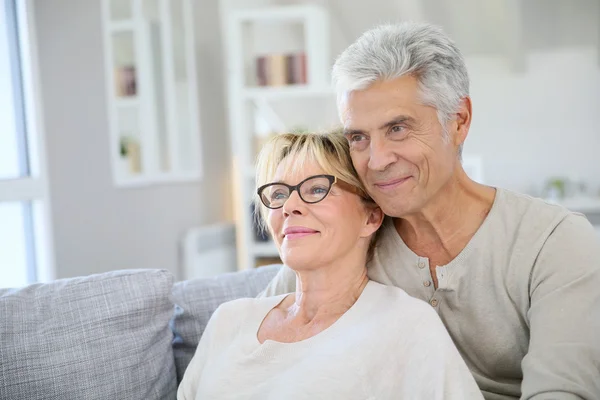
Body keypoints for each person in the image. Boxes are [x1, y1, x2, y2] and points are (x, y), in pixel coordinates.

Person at [260, 22, 600, 400]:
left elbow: (563, 392)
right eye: (358, 137)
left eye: (398, 129)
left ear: (459, 121)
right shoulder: (354, 237)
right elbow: (257, 332)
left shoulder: (553, 242)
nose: (376, 160)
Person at [178, 132, 483, 399]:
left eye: (316, 189)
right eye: (279, 193)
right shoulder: (229, 320)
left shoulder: (404, 325)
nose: (289, 207)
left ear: (370, 217)